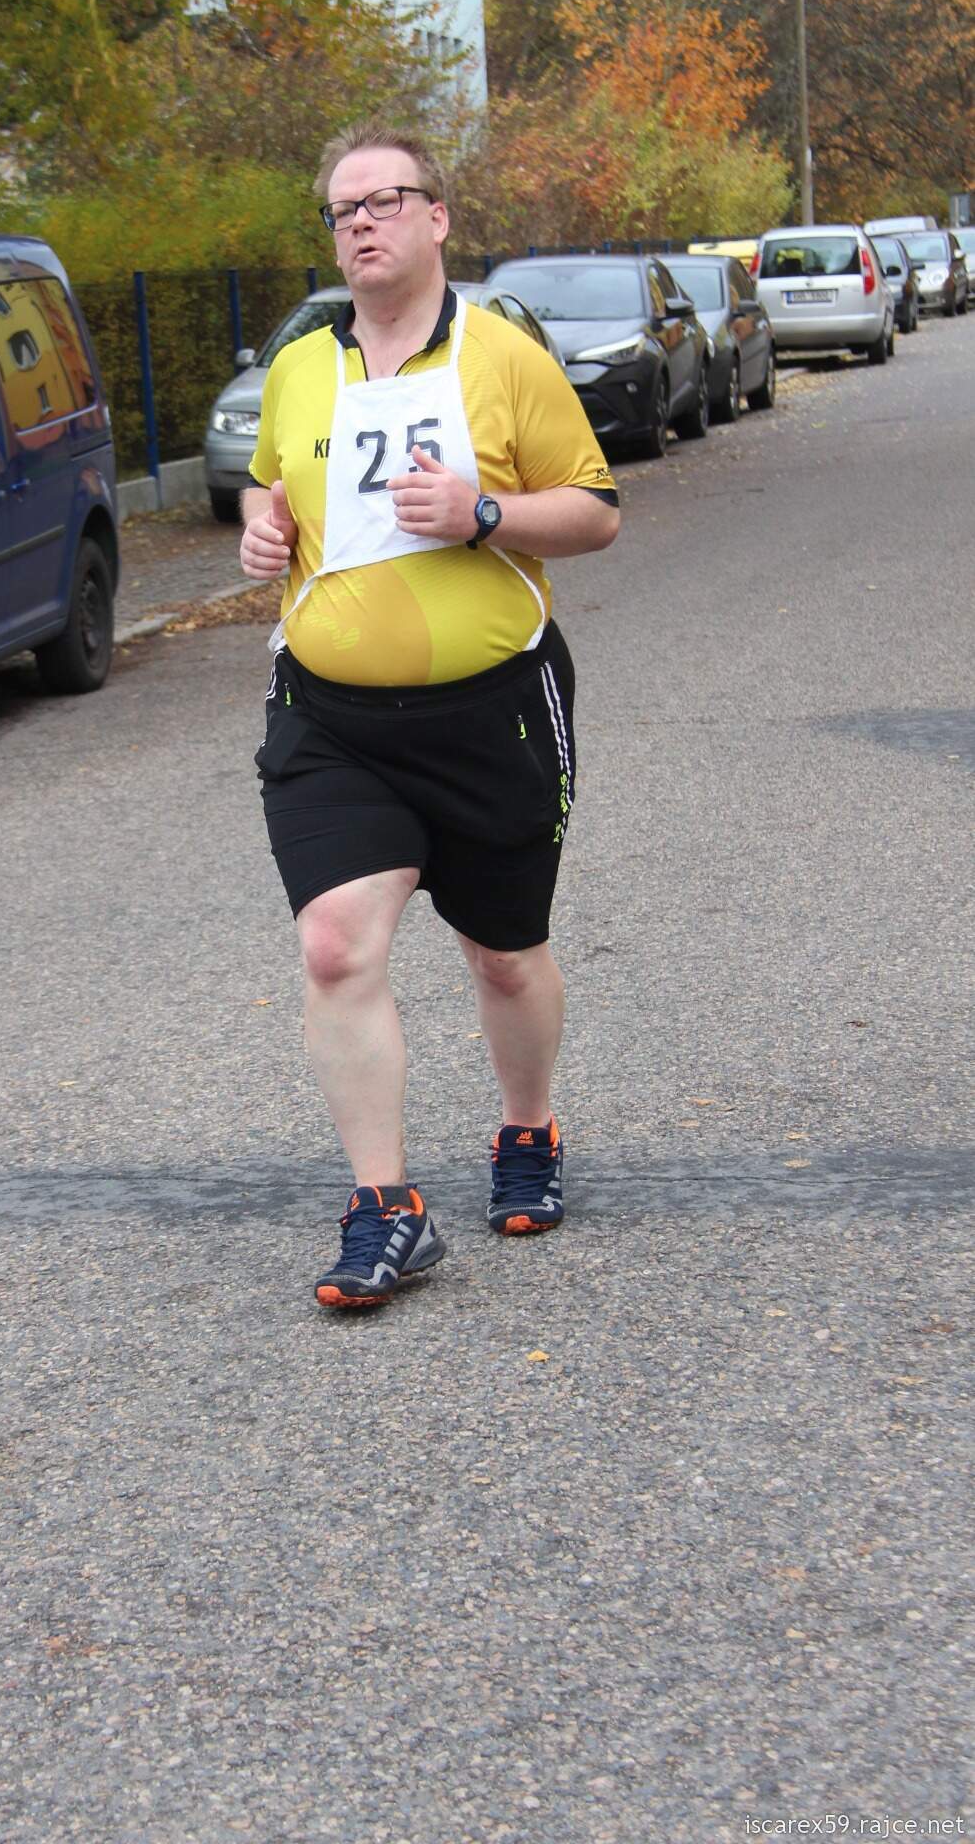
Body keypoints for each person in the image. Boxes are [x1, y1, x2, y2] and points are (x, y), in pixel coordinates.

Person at [240, 121, 619, 1310]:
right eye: (341, 208)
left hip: (491, 712)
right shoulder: (302, 365)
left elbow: (595, 509)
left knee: (501, 953)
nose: (360, 222)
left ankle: (527, 1126)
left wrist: (482, 515)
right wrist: (261, 526)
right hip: (333, 720)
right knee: (334, 943)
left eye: (384, 200)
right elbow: (268, 482)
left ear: (438, 217)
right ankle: (385, 1207)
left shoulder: (502, 356)